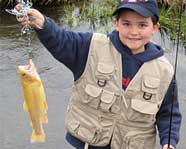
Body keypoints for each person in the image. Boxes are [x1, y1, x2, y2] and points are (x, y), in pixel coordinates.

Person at [17, 0, 182, 148]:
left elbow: (169, 114)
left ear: (155, 28)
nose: (134, 31)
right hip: (88, 143)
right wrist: (42, 23)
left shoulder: (165, 71)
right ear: (116, 23)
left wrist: (169, 142)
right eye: (126, 23)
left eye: (142, 25)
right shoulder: (90, 47)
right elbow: (62, 40)